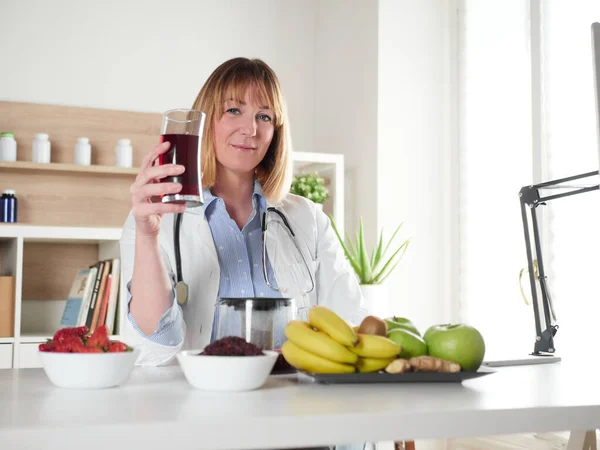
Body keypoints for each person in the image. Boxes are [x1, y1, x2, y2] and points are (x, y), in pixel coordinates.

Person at [119, 58, 365, 449]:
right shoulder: (157, 220)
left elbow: (351, 323)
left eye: (264, 116)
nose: (250, 129)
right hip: (200, 426)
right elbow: (155, 346)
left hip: (297, 423)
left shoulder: (308, 219)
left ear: (276, 132)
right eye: (234, 109)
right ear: (204, 120)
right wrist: (148, 237)